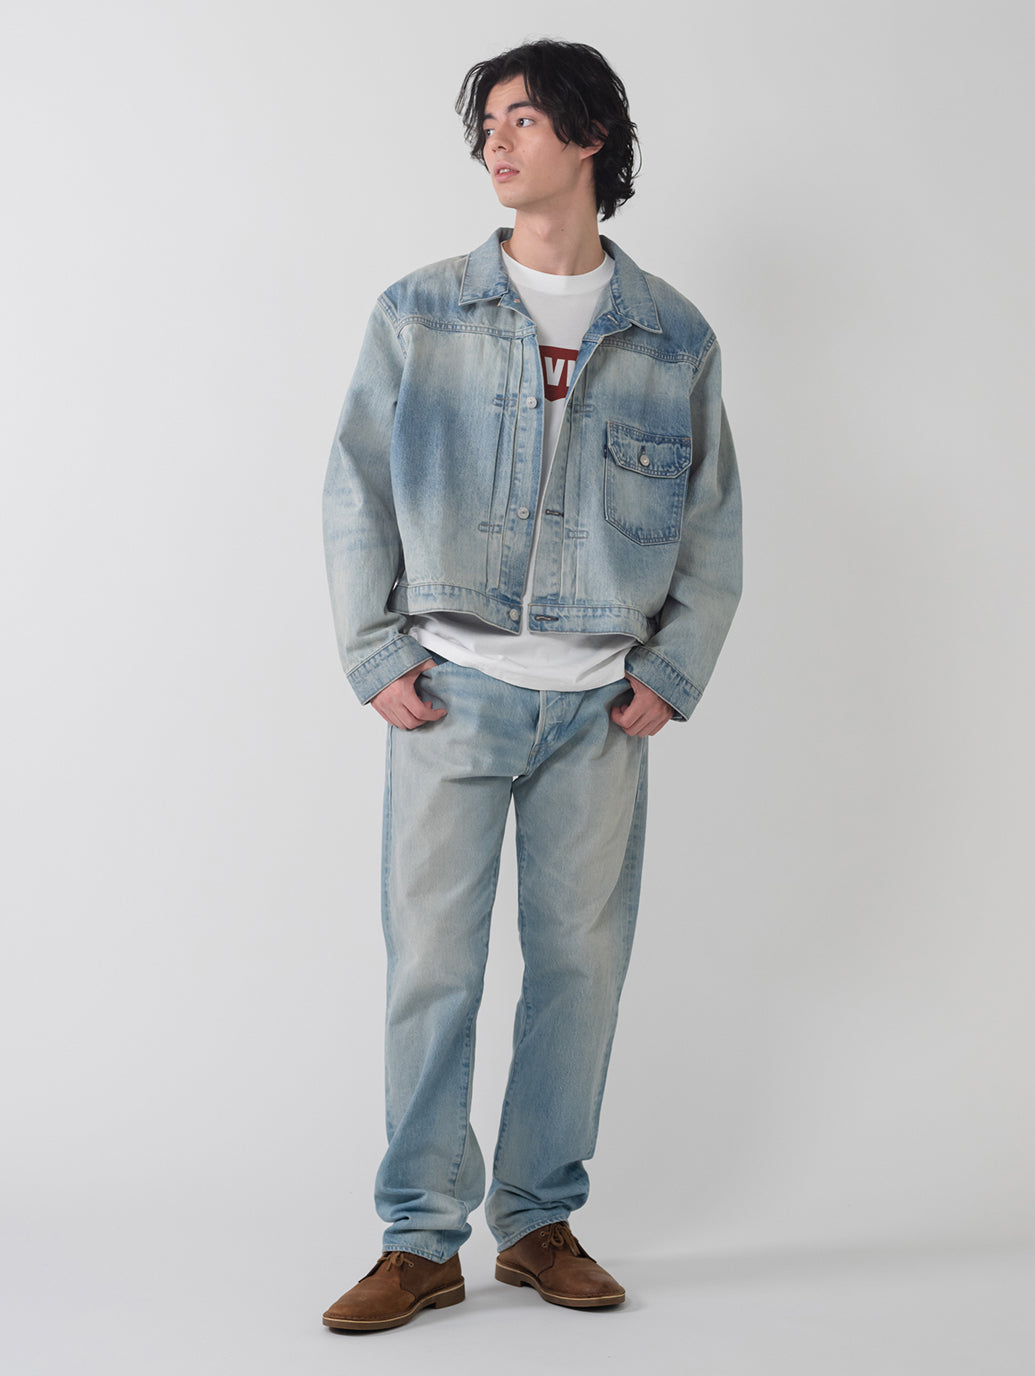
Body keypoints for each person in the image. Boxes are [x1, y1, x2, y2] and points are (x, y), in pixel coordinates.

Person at [320, 39, 742, 1331]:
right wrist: (376, 653)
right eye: (487, 124)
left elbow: (713, 524)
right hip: (451, 695)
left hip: (600, 712)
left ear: (589, 137)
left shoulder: (671, 334)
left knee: (580, 972)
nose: (494, 143)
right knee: (430, 971)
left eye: (520, 120)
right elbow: (355, 492)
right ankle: (418, 1239)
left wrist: (671, 670)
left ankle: (540, 1222)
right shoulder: (421, 311)